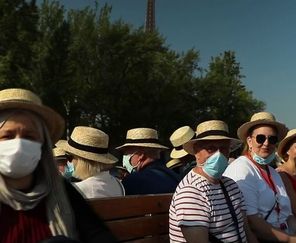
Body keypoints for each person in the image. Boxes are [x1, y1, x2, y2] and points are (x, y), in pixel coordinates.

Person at [0, 88, 116, 242]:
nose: (19, 144)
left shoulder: (60, 189)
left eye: (29, 136)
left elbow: (99, 235)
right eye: (7, 136)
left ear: (43, 144)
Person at [169, 120, 258, 243]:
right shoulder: (191, 192)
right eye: (211, 149)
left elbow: (246, 230)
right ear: (196, 152)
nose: (219, 155)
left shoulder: (231, 185)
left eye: (223, 149)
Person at [223, 112, 296, 243]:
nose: (266, 143)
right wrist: (290, 239)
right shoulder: (241, 169)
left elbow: (287, 213)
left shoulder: (273, 172)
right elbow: (251, 221)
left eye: (272, 139)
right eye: (260, 138)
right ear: (249, 141)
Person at [57, 126, 125, 199]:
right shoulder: (117, 184)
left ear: (82, 162)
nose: (67, 162)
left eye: (69, 157)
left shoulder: (77, 190)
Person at [117, 128, 180, 195]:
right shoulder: (174, 176)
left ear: (141, 155)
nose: (125, 157)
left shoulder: (132, 181)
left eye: (126, 153)